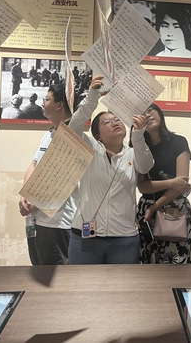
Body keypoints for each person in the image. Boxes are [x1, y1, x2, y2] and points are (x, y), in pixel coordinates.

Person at [67, 76, 154, 264]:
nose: (115, 123)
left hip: (124, 238)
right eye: (107, 122)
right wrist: (92, 97)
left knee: (122, 283)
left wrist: (138, 135)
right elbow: (74, 126)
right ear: (97, 135)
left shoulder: (133, 153)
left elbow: (146, 166)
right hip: (85, 236)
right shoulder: (89, 148)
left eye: (118, 120)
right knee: (81, 282)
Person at [18, 84, 77, 265]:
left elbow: (62, 177)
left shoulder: (72, 136)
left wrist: (36, 199)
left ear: (59, 105)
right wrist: (25, 194)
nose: (43, 103)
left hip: (57, 221)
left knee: (57, 275)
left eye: (46, 99)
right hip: (37, 219)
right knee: (39, 268)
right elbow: (34, 164)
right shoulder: (49, 133)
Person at [137, 104, 191, 264]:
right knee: (147, 262)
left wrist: (155, 206)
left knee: (176, 262)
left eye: (150, 110)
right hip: (146, 211)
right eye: (142, 113)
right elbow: (142, 186)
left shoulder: (179, 142)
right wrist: (171, 182)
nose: (147, 115)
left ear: (160, 113)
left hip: (174, 208)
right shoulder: (139, 146)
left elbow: (181, 185)